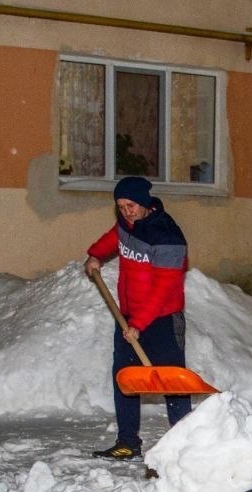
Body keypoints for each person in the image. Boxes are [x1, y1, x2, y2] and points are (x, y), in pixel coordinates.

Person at [85, 177, 192, 462]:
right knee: (125, 378)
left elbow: (162, 290)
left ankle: (186, 444)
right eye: (121, 207)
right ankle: (127, 442)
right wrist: (95, 254)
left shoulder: (167, 237)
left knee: (173, 382)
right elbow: (114, 237)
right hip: (130, 316)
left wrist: (139, 324)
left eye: (130, 205)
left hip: (163, 319)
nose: (126, 212)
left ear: (144, 203)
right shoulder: (126, 224)